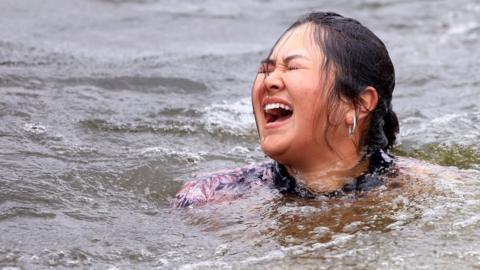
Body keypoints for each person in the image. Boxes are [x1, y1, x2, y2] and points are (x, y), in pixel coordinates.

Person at [172, 11, 399, 208]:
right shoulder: (211, 197)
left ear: (358, 103)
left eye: (293, 67)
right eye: (266, 69)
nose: (270, 80)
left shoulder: (417, 192)